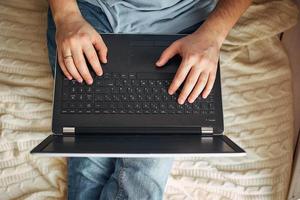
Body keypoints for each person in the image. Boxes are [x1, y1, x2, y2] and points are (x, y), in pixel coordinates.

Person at [47, 0, 252, 199]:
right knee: (89, 149)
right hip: (92, 11)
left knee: (144, 170)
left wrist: (212, 35)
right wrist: (66, 16)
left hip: (185, 21)